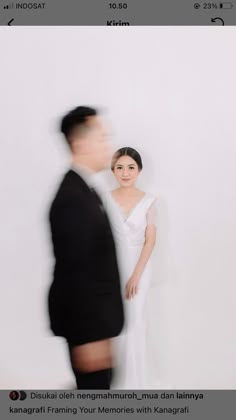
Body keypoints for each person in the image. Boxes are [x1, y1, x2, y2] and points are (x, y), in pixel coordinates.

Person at [47, 106, 124, 389]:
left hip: (97, 328)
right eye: (102, 138)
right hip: (88, 332)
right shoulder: (72, 199)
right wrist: (88, 338)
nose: (109, 145)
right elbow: (74, 274)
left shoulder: (84, 190)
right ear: (80, 143)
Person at [104, 147, 157, 389]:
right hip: (111, 267)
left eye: (131, 167)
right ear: (113, 170)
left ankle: (135, 384)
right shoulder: (105, 197)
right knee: (112, 322)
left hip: (139, 267)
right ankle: (113, 384)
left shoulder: (149, 201)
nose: (125, 173)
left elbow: (150, 240)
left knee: (135, 321)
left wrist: (136, 275)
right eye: (119, 167)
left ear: (139, 170)